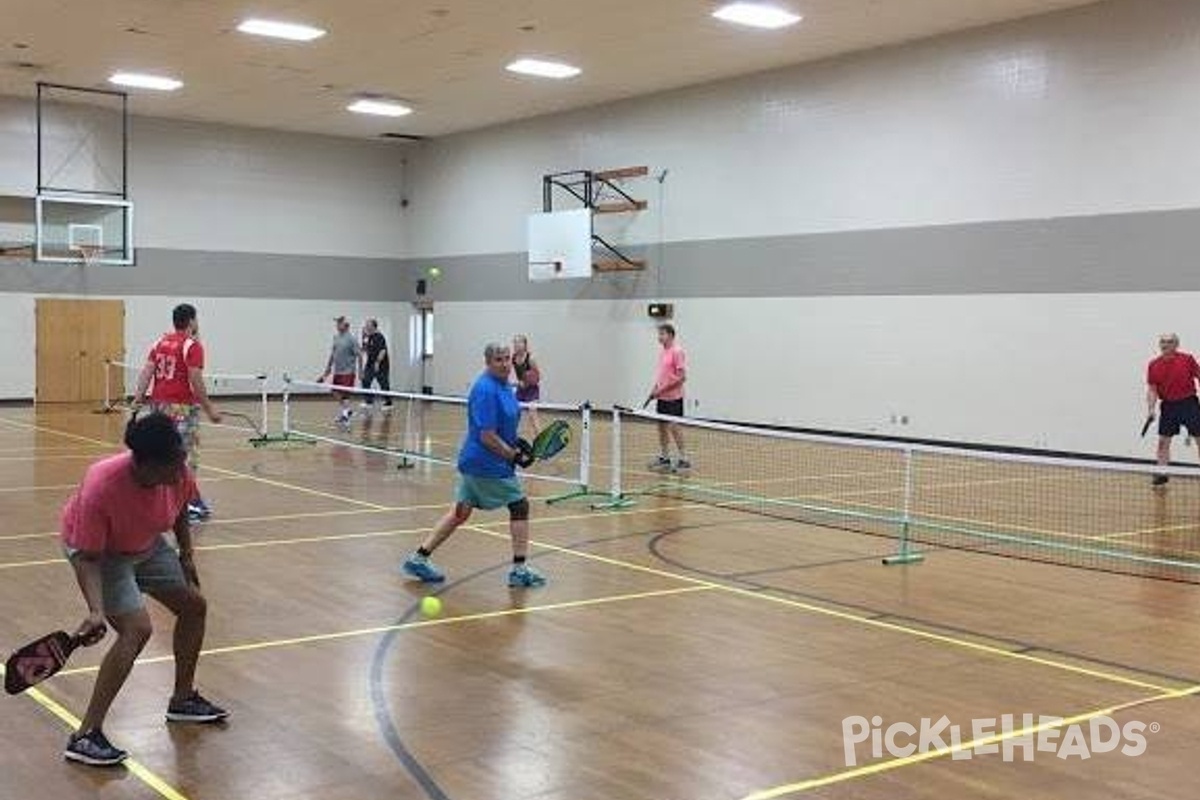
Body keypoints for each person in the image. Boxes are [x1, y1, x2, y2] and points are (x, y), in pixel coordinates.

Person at [61, 412, 228, 767]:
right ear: (145, 464)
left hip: (146, 544)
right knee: (137, 630)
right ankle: (85, 735)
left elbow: (181, 507)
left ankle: (182, 700)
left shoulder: (176, 470)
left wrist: (186, 556)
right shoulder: (101, 486)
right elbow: (87, 557)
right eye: (171, 466)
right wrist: (95, 610)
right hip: (102, 553)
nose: (179, 472)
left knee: (194, 606)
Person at [401, 342, 546, 588]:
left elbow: (503, 425)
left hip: (479, 462)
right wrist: (512, 455)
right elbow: (487, 435)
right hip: (485, 463)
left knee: (460, 513)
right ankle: (519, 570)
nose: (505, 363)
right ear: (488, 362)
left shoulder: (504, 386)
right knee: (519, 506)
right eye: (498, 359)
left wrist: (517, 444)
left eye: (507, 358)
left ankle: (419, 558)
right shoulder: (485, 389)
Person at [133, 303, 221, 521]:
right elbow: (195, 378)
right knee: (184, 456)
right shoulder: (192, 346)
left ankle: (184, 500)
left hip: (158, 406)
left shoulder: (160, 342)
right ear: (191, 321)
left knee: (162, 453)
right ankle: (188, 505)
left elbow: (147, 372)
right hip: (181, 407)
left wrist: (138, 398)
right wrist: (209, 407)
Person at [1145, 332, 1200, 486]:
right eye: (1162, 341)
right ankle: (1162, 473)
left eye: (1169, 342)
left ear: (1176, 344)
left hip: (1189, 403)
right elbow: (1152, 389)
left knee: (1199, 438)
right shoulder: (1153, 365)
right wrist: (1151, 409)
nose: (1165, 344)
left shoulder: (1187, 359)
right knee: (1163, 442)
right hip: (1169, 407)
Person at [647, 323, 690, 472]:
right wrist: (655, 388)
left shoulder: (677, 352)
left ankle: (684, 459)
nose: (659, 337)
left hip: (674, 398)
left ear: (671, 335)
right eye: (659, 334)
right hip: (662, 397)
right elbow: (662, 375)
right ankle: (665, 457)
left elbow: (682, 377)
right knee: (661, 427)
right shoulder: (663, 352)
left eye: (662, 334)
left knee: (674, 427)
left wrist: (662, 390)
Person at [319, 316, 361, 429]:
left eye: (339, 323)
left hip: (348, 371)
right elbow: (333, 354)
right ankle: (347, 411)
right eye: (337, 323)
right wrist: (327, 369)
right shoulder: (336, 337)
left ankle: (345, 417)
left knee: (345, 395)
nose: (337, 325)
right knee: (335, 392)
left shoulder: (352, 339)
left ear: (346, 325)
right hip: (338, 371)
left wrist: (361, 371)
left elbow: (359, 355)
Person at [512, 334, 541, 435]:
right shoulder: (514, 358)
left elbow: (538, 377)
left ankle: (540, 440)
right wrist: (520, 383)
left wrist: (528, 382)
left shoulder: (531, 359)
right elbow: (519, 376)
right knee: (514, 412)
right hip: (521, 389)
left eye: (519, 342)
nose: (516, 345)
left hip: (532, 389)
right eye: (514, 342)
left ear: (524, 344)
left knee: (533, 415)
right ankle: (511, 435)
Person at [360, 319, 392, 409]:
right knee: (365, 380)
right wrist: (363, 338)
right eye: (366, 325)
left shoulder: (379, 336)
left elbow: (383, 351)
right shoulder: (369, 337)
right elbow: (365, 349)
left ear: (373, 326)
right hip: (370, 364)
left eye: (368, 325)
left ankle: (388, 403)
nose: (366, 326)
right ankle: (369, 401)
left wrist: (377, 362)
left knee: (383, 383)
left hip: (381, 365)